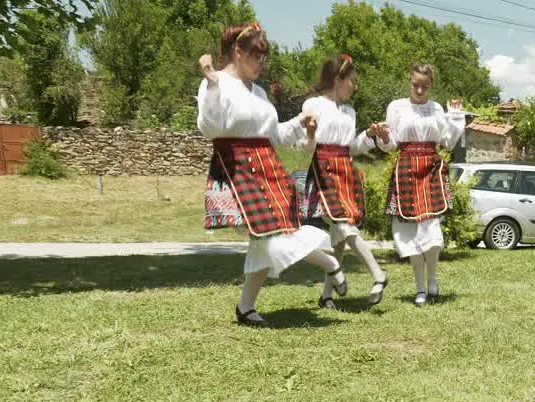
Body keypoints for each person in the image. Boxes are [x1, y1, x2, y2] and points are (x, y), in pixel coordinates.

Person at [196, 22, 346, 328]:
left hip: (268, 167)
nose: (261, 63)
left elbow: (272, 134)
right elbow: (209, 128)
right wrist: (211, 84)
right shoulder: (216, 82)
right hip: (236, 166)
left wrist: (300, 123)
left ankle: (246, 308)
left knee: (268, 237)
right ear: (237, 52)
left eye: (264, 57)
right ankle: (330, 263)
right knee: (269, 236)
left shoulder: (260, 92)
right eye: (256, 56)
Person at [302, 54, 391, 309]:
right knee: (343, 225)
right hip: (324, 168)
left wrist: (369, 135)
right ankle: (377, 274)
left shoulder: (350, 112)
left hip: (344, 169)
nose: (355, 85)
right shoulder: (313, 105)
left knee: (339, 235)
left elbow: (351, 148)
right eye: (351, 80)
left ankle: (326, 295)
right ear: (338, 79)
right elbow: (306, 146)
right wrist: (309, 135)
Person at [378, 62, 465, 307]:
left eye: (424, 87)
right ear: (409, 82)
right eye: (416, 85)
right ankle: (420, 288)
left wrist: (456, 117)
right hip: (405, 169)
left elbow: (447, 142)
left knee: (431, 228)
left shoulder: (436, 108)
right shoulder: (396, 107)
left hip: (430, 168)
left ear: (431, 86)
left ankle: (433, 280)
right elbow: (390, 144)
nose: (419, 91)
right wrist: (382, 135)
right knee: (409, 232)